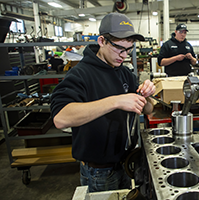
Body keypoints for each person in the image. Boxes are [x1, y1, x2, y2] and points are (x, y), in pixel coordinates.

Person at [50, 13, 155, 192]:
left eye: (129, 50)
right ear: (101, 41)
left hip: (125, 162)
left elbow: (148, 109)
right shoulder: (80, 74)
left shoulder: (123, 72)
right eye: (119, 49)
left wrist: (147, 95)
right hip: (99, 171)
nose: (124, 55)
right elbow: (61, 118)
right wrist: (115, 101)